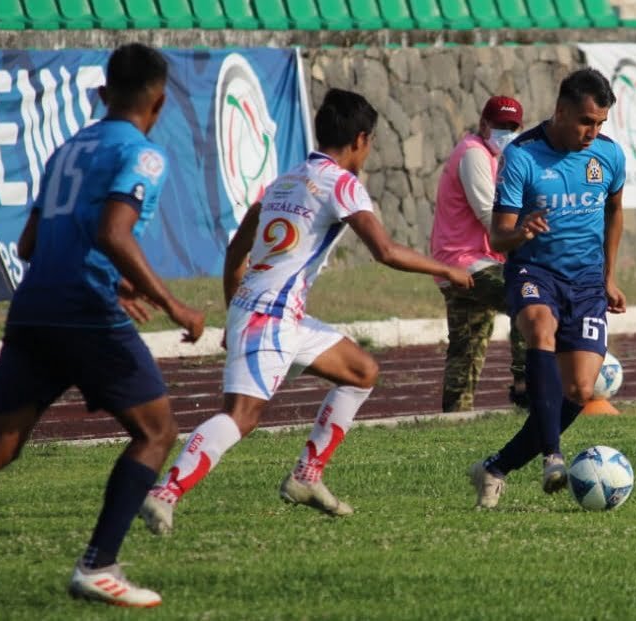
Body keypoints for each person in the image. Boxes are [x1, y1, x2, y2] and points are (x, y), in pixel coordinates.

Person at [139, 88, 473, 534]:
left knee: (361, 370)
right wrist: (448, 271)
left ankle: (306, 475)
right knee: (242, 416)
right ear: (359, 140)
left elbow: (238, 246)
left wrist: (234, 307)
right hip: (271, 319)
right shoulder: (342, 184)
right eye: (369, 143)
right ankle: (165, 492)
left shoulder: (286, 180)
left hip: (274, 316)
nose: (368, 152)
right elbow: (385, 250)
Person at [0, 44, 205, 607]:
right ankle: (99, 565)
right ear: (159, 101)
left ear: (101, 93)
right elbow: (115, 234)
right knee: (157, 431)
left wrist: (113, 277)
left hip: (34, 305)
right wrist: (174, 305)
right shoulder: (143, 156)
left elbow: (29, 243)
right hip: (83, 311)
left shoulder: (66, 150)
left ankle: (99, 566)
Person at [468, 68, 627, 509]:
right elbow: (498, 236)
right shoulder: (522, 156)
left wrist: (610, 276)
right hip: (534, 273)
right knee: (540, 329)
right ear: (560, 111)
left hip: (587, 281)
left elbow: (615, 211)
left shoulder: (609, 157)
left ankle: (496, 467)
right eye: (585, 122)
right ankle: (553, 456)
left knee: (579, 391)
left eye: (600, 124)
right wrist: (522, 232)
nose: (592, 133)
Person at [430, 95, 529, 413]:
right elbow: (491, 216)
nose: (506, 132)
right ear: (484, 124)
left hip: (460, 262)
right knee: (526, 296)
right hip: (468, 262)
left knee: (466, 350)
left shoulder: (490, 156)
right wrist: (528, 240)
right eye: (500, 125)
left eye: (513, 127)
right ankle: (526, 386)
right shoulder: (474, 154)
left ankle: (453, 419)